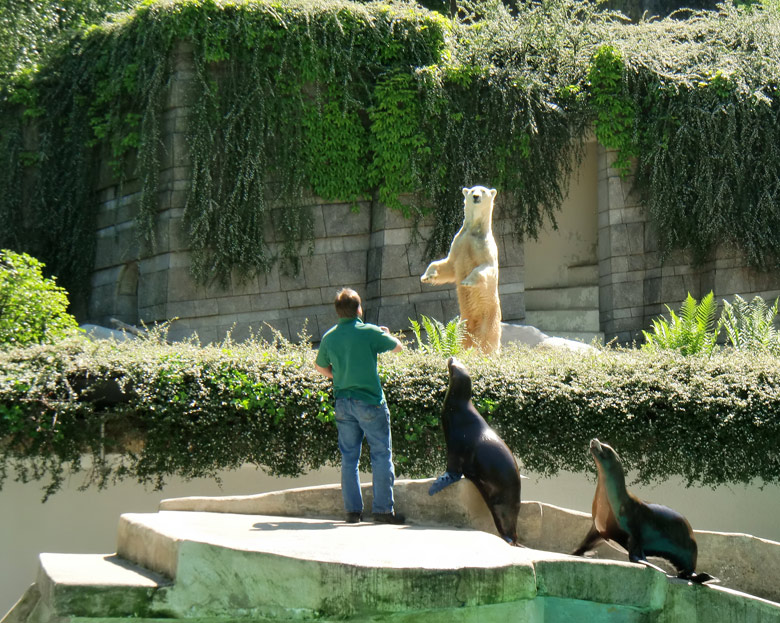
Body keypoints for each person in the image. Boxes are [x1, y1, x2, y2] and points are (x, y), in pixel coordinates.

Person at [314, 287, 405, 524]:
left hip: (343, 403)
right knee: (381, 455)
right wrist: (387, 333)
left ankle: (353, 512)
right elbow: (398, 347)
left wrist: (339, 376)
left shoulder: (329, 337)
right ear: (359, 309)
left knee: (349, 459)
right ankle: (383, 511)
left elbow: (320, 366)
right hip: (371, 402)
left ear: (337, 312)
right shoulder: (369, 332)